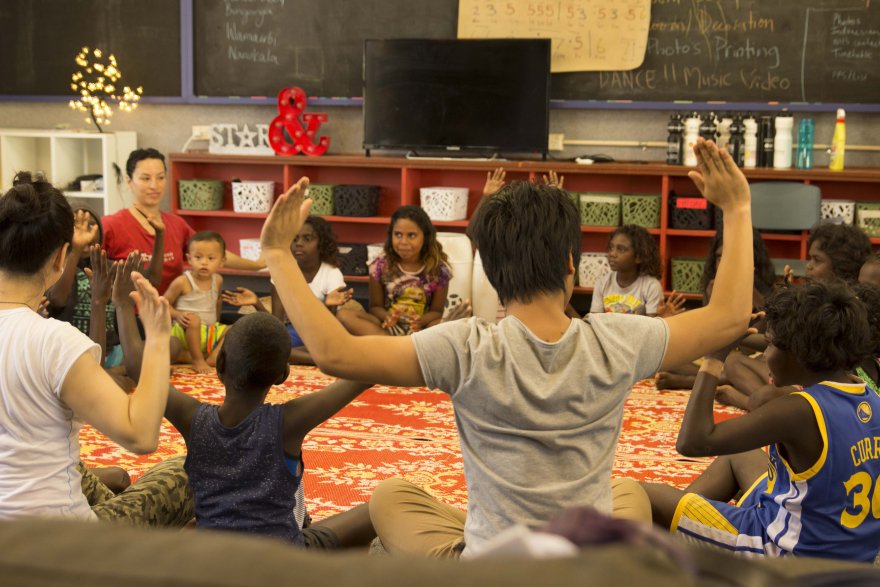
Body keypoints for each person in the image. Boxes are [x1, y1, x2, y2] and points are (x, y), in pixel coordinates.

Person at [258, 138, 756, 557]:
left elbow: (336, 353)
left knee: (389, 495)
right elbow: (729, 316)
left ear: (493, 274)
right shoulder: (619, 338)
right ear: (570, 266)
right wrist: (735, 207)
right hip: (585, 565)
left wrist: (278, 254)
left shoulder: (467, 345)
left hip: (491, 569)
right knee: (625, 492)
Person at [0, 172, 191, 526]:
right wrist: (159, 339)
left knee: (79, 465)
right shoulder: (52, 340)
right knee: (188, 469)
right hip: (61, 543)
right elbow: (141, 434)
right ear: (61, 257)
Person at [642, 281, 880, 563]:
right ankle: (683, 531)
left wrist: (714, 359)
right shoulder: (871, 398)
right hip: (849, 556)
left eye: (770, 345)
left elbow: (692, 441)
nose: (765, 355)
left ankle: (667, 552)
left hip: (786, 552)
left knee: (641, 493)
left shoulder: (799, 409)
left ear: (799, 351)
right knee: (738, 455)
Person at [116, 299, 375, 547]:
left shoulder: (193, 418)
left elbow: (140, 370)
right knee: (375, 511)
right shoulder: (289, 422)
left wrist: (122, 304)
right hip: (282, 560)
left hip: (213, 558)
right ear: (283, 375)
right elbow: (364, 375)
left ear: (220, 363)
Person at [721, 222, 873, 409]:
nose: (808, 266)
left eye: (817, 260)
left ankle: (749, 401)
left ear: (841, 266)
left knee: (762, 391)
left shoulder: (840, 310)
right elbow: (780, 340)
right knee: (735, 362)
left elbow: (789, 344)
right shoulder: (818, 300)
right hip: (804, 378)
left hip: (819, 385)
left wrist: (736, 335)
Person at [102, 148, 263, 295]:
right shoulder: (111, 225)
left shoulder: (176, 224)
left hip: (174, 316)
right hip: (130, 318)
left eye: (160, 177)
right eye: (145, 178)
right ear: (129, 181)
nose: (154, 185)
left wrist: (256, 265)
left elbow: (213, 251)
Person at [655, 228, 776, 392]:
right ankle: (720, 377)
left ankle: (693, 381)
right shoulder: (713, 286)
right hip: (717, 354)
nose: (725, 264)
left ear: (751, 259)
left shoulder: (765, 289)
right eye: (720, 258)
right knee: (667, 356)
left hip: (748, 356)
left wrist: (749, 287)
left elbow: (762, 338)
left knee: (738, 362)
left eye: (733, 258)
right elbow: (708, 334)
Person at [222, 216, 353, 364]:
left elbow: (328, 327)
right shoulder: (281, 272)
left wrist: (329, 305)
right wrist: (256, 303)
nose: (299, 244)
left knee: (324, 343)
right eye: (295, 239)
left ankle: (295, 355)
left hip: (323, 333)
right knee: (264, 343)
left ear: (321, 244)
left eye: (307, 239)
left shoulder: (331, 273)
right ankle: (318, 359)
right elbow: (277, 325)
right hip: (294, 333)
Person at [337, 206, 451, 336]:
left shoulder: (438, 270)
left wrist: (421, 321)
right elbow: (375, 307)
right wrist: (389, 317)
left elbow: (437, 312)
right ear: (390, 235)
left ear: (425, 237)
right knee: (344, 315)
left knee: (444, 324)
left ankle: (403, 347)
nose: (403, 242)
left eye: (411, 235)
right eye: (398, 234)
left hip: (421, 331)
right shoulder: (379, 266)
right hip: (386, 328)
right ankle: (391, 344)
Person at [45, 208, 122, 367]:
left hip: (110, 351)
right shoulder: (57, 267)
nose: (84, 232)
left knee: (167, 346)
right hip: (72, 353)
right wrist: (76, 248)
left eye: (91, 226)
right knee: (115, 382)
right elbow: (57, 299)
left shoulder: (109, 266)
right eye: (77, 227)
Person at [163, 231, 228, 373]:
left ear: (222, 261)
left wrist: (217, 323)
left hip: (209, 332)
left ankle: (213, 357)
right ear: (189, 259)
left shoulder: (218, 280)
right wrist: (177, 315)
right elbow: (162, 304)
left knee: (235, 329)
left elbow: (217, 303)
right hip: (185, 330)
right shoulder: (183, 281)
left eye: (211, 258)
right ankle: (198, 360)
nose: (204, 262)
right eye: (198, 257)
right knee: (194, 319)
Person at [589, 224, 665, 316]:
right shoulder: (602, 283)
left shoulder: (651, 286)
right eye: (611, 248)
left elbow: (652, 326)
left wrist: (664, 316)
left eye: (621, 249)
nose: (612, 254)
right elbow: (595, 321)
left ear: (638, 257)